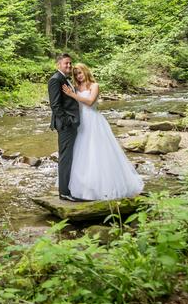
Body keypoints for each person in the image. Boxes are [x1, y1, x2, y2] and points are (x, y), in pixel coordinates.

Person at [60, 63, 144, 201]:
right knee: (82, 153)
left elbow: (90, 102)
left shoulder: (94, 86)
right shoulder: (75, 87)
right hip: (80, 122)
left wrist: (73, 95)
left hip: (93, 121)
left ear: (86, 72)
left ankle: (103, 187)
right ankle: (82, 188)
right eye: (76, 74)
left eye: (80, 73)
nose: (78, 76)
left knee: (97, 152)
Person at [47, 53, 82, 200]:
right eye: (66, 63)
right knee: (65, 158)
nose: (69, 66)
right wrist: (68, 121)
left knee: (69, 156)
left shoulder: (64, 79)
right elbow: (55, 105)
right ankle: (64, 193)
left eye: (70, 63)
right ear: (58, 65)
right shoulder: (55, 80)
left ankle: (68, 189)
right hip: (66, 125)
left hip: (70, 123)